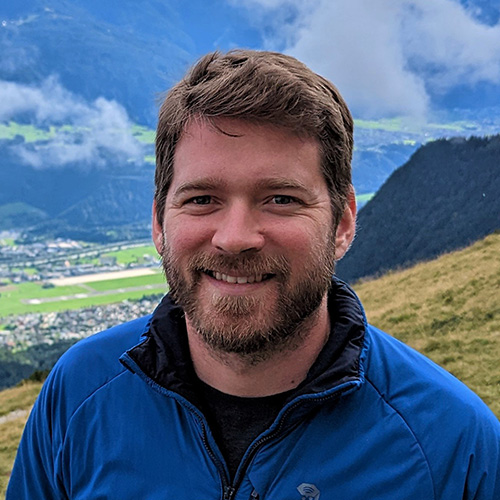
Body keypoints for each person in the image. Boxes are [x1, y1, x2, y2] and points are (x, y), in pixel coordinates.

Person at [7, 50, 500, 499]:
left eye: (281, 199)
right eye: (202, 199)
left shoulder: (454, 445)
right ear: (159, 222)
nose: (235, 236)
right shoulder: (77, 395)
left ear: (343, 223)